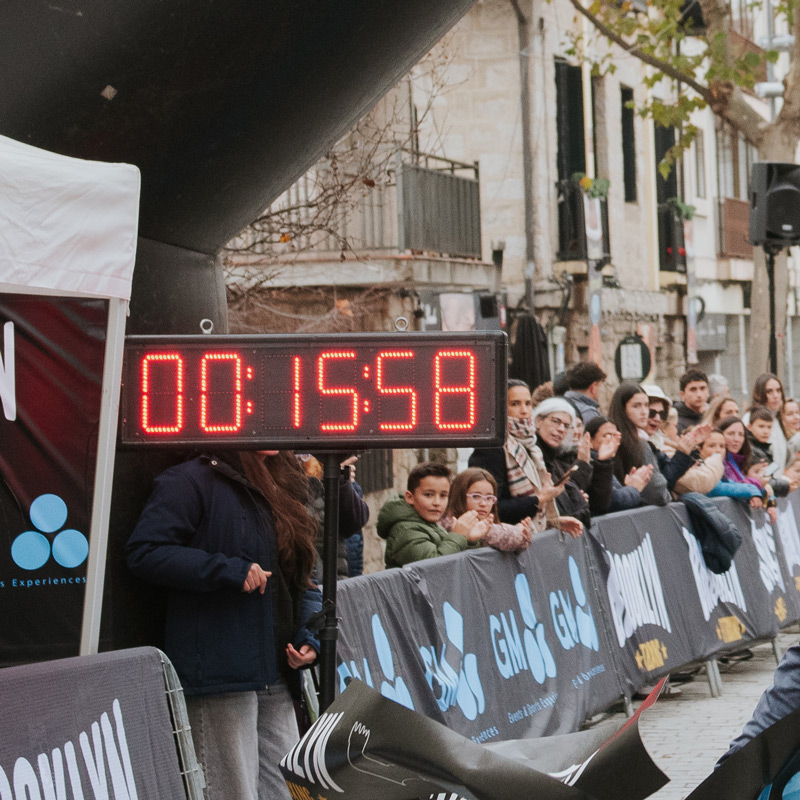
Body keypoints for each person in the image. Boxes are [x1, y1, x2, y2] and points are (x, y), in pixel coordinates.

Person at [126, 450, 324, 800]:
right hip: (221, 676)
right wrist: (226, 570)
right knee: (233, 792)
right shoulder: (188, 481)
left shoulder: (282, 482)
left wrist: (310, 638)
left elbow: (305, 581)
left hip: (278, 673)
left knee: (291, 793)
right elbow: (145, 551)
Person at [469, 379, 582, 536]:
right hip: (504, 541)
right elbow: (492, 507)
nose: (524, 410)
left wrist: (554, 522)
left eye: (528, 404)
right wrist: (539, 500)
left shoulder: (531, 447)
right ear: (500, 407)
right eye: (515, 404)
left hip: (528, 536)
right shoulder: (492, 447)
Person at [608, 382, 705, 506]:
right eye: (636, 406)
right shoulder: (635, 443)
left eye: (646, 405)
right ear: (622, 409)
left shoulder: (644, 442)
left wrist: (685, 452)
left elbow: (665, 477)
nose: (644, 412)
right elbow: (656, 491)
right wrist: (669, 495)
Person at [377, 462, 487, 569]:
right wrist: (458, 536)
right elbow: (434, 567)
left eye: (443, 495)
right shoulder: (405, 531)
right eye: (428, 495)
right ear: (410, 497)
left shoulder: (427, 523)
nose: (437, 502)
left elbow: (456, 561)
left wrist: (469, 540)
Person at [531, 396, 615, 526]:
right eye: (555, 421)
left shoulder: (556, 458)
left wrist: (603, 462)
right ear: (538, 421)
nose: (561, 429)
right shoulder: (534, 456)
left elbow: (599, 504)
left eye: (566, 426)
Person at [439, 467, 533, 553]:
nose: (483, 504)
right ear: (460, 496)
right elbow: (506, 537)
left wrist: (522, 533)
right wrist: (519, 532)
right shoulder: (451, 523)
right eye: (476, 496)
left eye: (489, 498)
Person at [585, 415, 653, 512]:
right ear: (590, 441)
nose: (612, 441)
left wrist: (627, 487)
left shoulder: (609, 462)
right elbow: (614, 501)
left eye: (615, 436)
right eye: (607, 436)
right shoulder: (591, 463)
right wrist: (634, 488)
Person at [717, 415, 778, 522]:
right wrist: (755, 484)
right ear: (720, 434)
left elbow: (747, 484)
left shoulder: (736, 459)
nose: (737, 439)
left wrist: (770, 502)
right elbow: (724, 486)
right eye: (731, 434)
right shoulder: (719, 460)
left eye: (741, 435)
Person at [745, 373, 788, 476]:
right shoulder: (750, 418)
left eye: (778, 390)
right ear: (758, 395)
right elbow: (755, 458)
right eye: (769, 391)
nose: (776, 396)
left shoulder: (776, 420)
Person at [674, 368, 710, 433]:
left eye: (702, 388)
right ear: (682, 394)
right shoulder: (676, 421)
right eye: (693, 389)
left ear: (708, 391)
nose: (699, 395)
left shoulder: (712, 416)